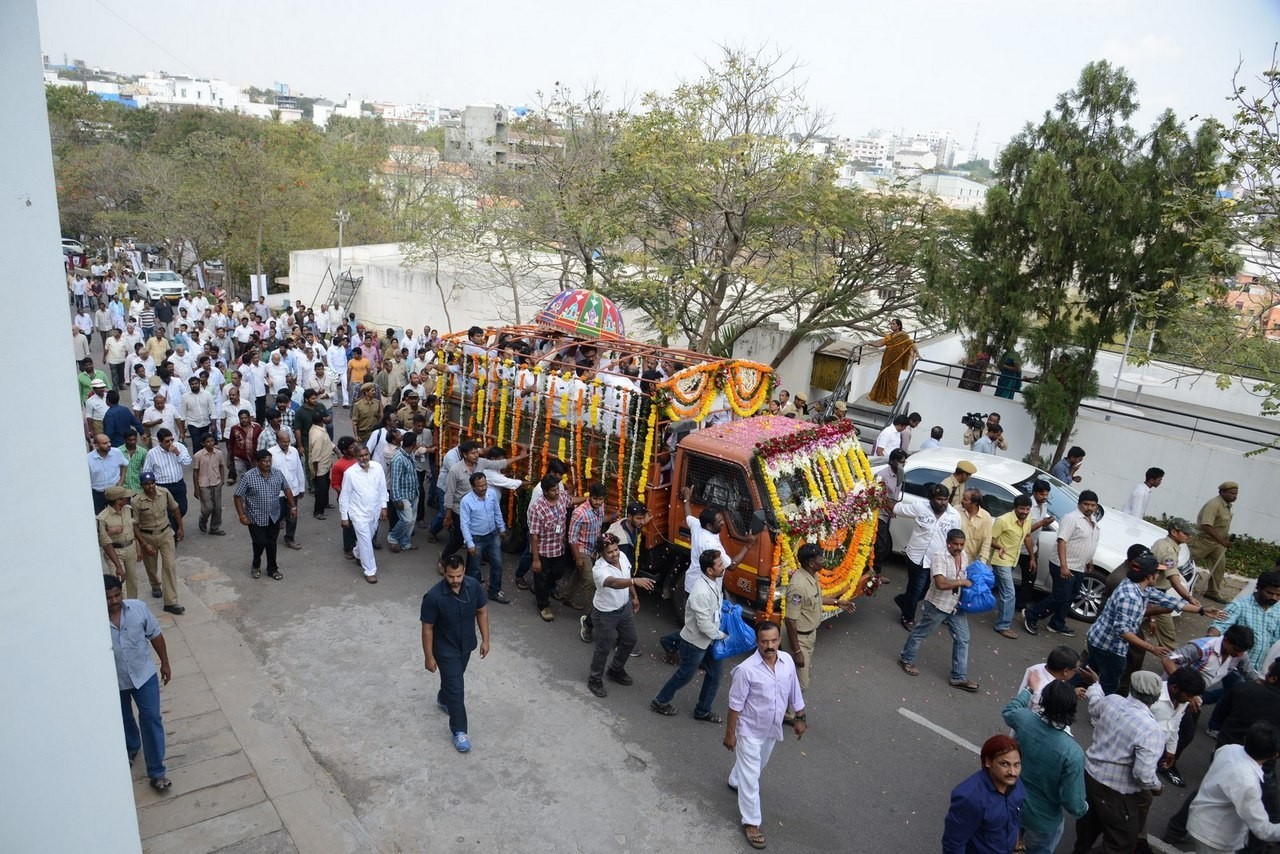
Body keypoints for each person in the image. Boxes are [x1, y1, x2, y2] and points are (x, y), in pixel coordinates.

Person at [1085, 548, 1222, 695]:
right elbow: (1123, 632)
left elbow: (1169, 600)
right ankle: (1100, 710)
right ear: (1149, 576)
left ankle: (1076, 688)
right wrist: (1152, 648)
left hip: (1100, 639)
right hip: (1109, 646)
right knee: (1110, 684)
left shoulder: (1138, 586)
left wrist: (1202, 610)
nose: (1159, 575)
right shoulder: (1130, 596)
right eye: (1157, 572)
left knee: (1091, 671)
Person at [723, 621, 805, 851]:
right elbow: (735, 705)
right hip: (748, 730)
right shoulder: (746, 670)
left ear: (779, 639)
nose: (769, 645)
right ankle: (751, 823)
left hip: (771, 729)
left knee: (758, 766)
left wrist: (800, 717)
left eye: (773, 640)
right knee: (752, 778)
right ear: (757, 642)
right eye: (764, 641)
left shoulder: (786, 661)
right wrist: (730, 735)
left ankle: (734, 780)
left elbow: (794, 689)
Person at [1073, 667, 1165, 853]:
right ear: (1155, 699)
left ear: (1131, 689)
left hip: (1090, 777)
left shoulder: (1113, 702)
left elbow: (1094, 704)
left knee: (1087, 829)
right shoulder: (1151, 729)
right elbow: (1143, 774)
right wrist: (1156, 786)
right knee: (1120, 843)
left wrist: (1096, 684)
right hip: (1116, 793)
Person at [1000, 673, 1086, 854]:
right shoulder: (1072, 753)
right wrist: (1084, 807)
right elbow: (1074, 804)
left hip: (1011, 802)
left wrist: (1029, 689)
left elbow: (1009, 710)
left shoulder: (1024, 720)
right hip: (1043, 820)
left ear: (1043, 702)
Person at [106, 575, 173, 793]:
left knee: (152, 718)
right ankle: (132, 747)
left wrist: (165, 663)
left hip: (144, 676)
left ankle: (157, 772)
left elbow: (155, 635)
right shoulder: (91, 620)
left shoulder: (138, 609)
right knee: (123, 718)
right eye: (108, 598)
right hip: (115, 681)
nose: (114, 601)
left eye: (117, 595)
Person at [420, 554, 491, 754]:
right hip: (445, 650)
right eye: (451, 576)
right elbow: (427, 628)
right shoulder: (433, 597)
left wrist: (486, 640)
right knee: (457, 690)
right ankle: (459, 731)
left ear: (464, 571)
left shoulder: (473, 586)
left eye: (459, 575)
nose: (455, 580)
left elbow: (482, 611)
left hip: (466, 645)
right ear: (444, 571)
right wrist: (428, 656)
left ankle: (444, 698)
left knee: (453, 682)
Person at [897, 528, 980, 691]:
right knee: (921, 633)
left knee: (963, 639)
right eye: (955, 544)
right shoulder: (939, 556)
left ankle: (958, 677)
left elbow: (963, 576)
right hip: (938, 604)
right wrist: (963, 583)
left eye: (961, 544)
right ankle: (906, 658)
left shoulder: (963, 555)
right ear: (948, 543)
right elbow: (940, 584)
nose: (958, 547)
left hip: (956, 606)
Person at [651, 548, 726, 719]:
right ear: (709, 570)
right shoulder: (701, 592)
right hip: (695, 644)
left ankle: (702, 710)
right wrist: (721, 636)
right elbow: (703, 624)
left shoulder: (711, 583)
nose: (724, 567)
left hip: (707, 641)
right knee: (684, 675)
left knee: (715, 676)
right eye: (720, 564)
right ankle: (660, 701)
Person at [1188, 722, 1280, 854]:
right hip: (1215, 837)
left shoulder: (1229, 749)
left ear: (1245, 739)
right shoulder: (1248, 784)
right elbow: (1263, 830)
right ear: (1275, 756)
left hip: (1203, 819)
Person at [1022, 490, 1101, 639]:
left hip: (1079, 566)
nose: (1089, 508)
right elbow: (1062, 541)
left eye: (1093, 505)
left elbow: (1089, 541)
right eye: (1086, 504)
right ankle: (1031, 615)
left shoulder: (1093, 520)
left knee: (1070, 596)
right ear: (1079, 504)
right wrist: (1064, 565)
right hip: (1063, 565)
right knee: (1060, 596)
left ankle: (1056, 623)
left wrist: (1089, 560)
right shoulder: (1071, 519)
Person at [585, 533, 654, 698]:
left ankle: (615, 670)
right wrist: (634, 582)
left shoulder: (622, 556)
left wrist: (634, 597)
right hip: (605, 614)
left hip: (624, 609)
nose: (615, 554)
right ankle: (594, 679)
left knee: (630, 640)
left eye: (616, 549)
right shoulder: (599, 569)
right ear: (602, 553)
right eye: (610, 552)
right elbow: (614, 583)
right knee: (603, 648)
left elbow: (626, 577)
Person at [784, 543, 856, 697]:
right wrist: (797, 651)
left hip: (810, 635)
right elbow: (790, 620)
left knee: (795, 680)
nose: (824, 561)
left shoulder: (812, 575)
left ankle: (790, 713)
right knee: (802, 685)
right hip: (799, 639)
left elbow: (815, 599)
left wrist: (837, 602)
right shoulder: (798, 586)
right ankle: (780, 708)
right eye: (821, 558)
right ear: (811, 563)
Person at [890, 484, 963, 631]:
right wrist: (879, 497)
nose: (942, 503)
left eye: (945, 499)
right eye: (939, 499)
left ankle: (904, 600)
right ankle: (908, 617)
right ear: (931, 499)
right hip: (916, 556)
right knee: (916, 588)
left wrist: (956, 559)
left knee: (925, 591)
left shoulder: (954, 516)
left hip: (936, 560)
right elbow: (897, 508)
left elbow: (956, 538)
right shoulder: (920, 507)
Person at [941, 734, 1026, 854]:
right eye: (1004, 764)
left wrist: (1016, 848)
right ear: (988, 762)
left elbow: (1015, 819)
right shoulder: (969, 798)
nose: (1013, 772)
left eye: (1016, 764)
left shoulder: (1017, 785)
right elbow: (953, 844)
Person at [233, 449, 295, 581]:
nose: (267, 464)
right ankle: (256, 564)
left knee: (272, 543)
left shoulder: (277, 474)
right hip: (256, 517)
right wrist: (242, 515)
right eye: (264, 461)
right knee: (260, 542)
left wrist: (293, 506)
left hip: (274, 515)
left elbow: (287, 489)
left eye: (269, 461)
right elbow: (238, 496)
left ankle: (272, 569)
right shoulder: (249, 477)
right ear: (257, 462)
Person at [132, 472, 185, 614]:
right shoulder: (136, 501)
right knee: (151, 565)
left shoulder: (164, 493)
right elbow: (135, 525)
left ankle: (170, 602)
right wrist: (143, 544)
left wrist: (180, 527)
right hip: (147, 536)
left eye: (152, 483)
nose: (150, 486)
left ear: (155, 482)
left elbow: (175, 509)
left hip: (166, 533)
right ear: (141, 486)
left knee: (169, 566)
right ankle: (155, 584)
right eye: (147, 484)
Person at [1149, 517, 1202, 649]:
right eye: (1185, 533)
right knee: (1168, 638)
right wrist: (1189, 598)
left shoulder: (1162, 543)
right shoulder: (1168, 552)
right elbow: (1174, 580)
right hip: (1156, 595)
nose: (1188, 536)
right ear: (1174, 532)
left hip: (1152, 593)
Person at [339, 444, 388, 583]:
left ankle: (357, 552)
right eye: (360, 456)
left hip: (374, 511)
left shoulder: (377, 468)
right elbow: (344, 496)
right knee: (366, 541)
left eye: (366, 454)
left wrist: (384, 506)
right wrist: (344, 517)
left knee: (367, 538)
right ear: (355, 457)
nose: (364, 458)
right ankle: (370, 571)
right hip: (358, 513)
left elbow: (382, 488)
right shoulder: (350, 473)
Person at [528, 475, 574, 622]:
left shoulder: (561, 498)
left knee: (558, 572)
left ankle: (543, 587)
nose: (557, 492)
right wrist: (536, 560)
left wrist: (589, 499)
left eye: (557, 489)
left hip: (558, 548)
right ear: (545, 491)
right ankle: (543, 605)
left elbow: (572, 500)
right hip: (543, 550)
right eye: (554, 490)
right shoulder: (537, 508)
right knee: (541, 577)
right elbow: (534, 536)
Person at [458, 472, 508, 603]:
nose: (484, 488)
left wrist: (502, 528)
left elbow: (497, 511)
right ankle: (473, 594)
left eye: (485, 484)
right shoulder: (466, 501)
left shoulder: (491, 494)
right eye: (480, 486)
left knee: (497, 564)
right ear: (473, 487)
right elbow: (464, 524)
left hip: (493, 535)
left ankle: (494, 591)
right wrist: (470, 544)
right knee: (474, 569)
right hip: (477, 539)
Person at [990, 494, 1034, 639]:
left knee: (987, 586)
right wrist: (999, 547)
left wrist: (1032, 557)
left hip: (1013, 561)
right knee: (1009, 593)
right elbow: (990, 539)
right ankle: (1003, 625)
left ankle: (958, 605)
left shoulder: (1027, 519)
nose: (1024, 512)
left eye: (1027, 509)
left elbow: (1027, 536)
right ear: (1014, 508)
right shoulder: (1003, 520)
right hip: (1001, 560)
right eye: (1021, 508)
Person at [562, 483, 612, 611]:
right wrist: (578, 558)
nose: (598, 502)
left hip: (593, 549)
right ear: (590, 496)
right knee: (590, 582)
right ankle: (593, 615)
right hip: (582, 549)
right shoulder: (579, 513)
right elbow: (572, 538)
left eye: (601, 499)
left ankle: (567, 597)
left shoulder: (600, 507)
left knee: (580, 574)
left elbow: (600, 521)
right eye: (595, 499)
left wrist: (612, 517)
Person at [1193, 482, 1240, 604]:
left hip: (1217, 544)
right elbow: (1206, 525)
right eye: (1232, 493)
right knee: (1189, 563)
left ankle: (1212, 592)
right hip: (1202, 542)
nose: (1234, 496)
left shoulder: (1227, 506)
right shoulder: (1214, 504)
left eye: (1236, 494)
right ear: (1222, 492)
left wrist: (1223, 540)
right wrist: (1222, 541)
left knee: (1219, 566)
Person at [97, 486, 143, 597]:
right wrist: (111, 532)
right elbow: (101, 541)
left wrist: (138, 547)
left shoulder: (128, 509)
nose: (128, 498)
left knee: (133, 581)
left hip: (130, 548)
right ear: (118, 501)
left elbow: (134, 528)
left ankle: (132, 605)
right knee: (119, 582)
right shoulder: (102, 518)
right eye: (125, 497)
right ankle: (122, 608)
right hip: (115, 551)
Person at [142, 429, 191, 525]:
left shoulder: (179, 447)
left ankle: (175, 526)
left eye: (172, 440)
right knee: (167, 511)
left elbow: (187, 462)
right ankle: (173, 532)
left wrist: (177, 453)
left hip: (178, 484)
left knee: (182, 508)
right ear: (160, 441)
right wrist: (153, 487)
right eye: (167, 441)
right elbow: (147, 471)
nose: (170, 443)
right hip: (162, 487)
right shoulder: (152, 453)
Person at [268, 430, 307, 551]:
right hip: (277, 492)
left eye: (288, 441)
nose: (286, 444)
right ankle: (271, 538)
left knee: (292, 515)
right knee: (277, 516)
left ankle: (290, 538)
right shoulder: (271, 453)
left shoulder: (294, 451)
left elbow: (299, 469)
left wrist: (301, 488)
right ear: (277, 441)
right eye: (283, 442)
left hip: (293, 490)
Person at [866, 318, 917, 406]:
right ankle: (879, 397)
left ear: (899, 326)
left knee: (893, 379)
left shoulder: (903, 336)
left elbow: (911, 344)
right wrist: (869, 343)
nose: (891, 325)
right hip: (886, 359)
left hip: (896, 361)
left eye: (893, 324)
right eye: (891, 324)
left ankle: (891, 399)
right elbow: (879, 344)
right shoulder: (888, 336)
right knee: (882, 376)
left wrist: (918, 354)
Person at [191, 433, 226, 536]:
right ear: (203, 443)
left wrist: (222, 480)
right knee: (208, 508)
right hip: (204, 484)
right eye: (207, 442)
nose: (210, 443)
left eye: (212, 441)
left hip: (216, 482)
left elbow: (221, 466)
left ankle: (215, 527)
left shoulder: (218, 453)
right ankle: (203, 519)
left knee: (217, 508)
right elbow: (195, 472)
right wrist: (196, 488)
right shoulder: (198, 456)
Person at [307, 410, 336, 519]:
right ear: (323, 419)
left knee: (326, 484)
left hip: (325, 465)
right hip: (319, 468)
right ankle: (318, 512)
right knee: (321, 490)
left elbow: (328, 442)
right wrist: (315, 472)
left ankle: (325, 503)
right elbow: (315, 456)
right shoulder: (318, 434)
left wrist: (337, 452)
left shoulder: (319, 429)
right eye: (328, 416)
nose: (330, 418)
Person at [88, 432, 128, 513]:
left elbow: (124, 465)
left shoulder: (116, 452)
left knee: (119, 515)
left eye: (109, 442)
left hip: (115, 490)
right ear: (96, 445)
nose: (109, 444)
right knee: (100, 517)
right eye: (105, 443)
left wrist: (121, 482)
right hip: (98, 493)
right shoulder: (88, 459)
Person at [958, 488, 992, 566]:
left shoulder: (986, 517)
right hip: (952, 558)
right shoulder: (956, 510)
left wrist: (981, 564)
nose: (961, 501)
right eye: (962, 497)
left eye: (965, 499)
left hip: (970, 562)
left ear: (975, 503)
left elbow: (986, 543)